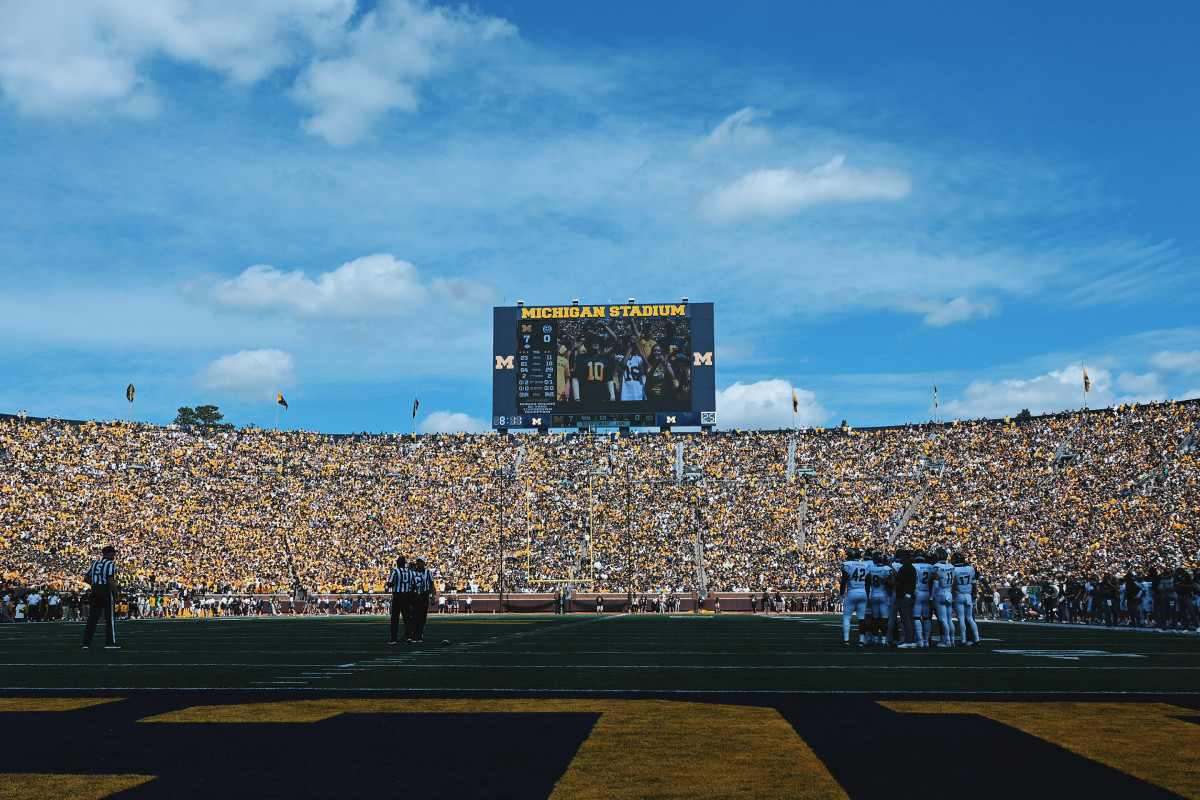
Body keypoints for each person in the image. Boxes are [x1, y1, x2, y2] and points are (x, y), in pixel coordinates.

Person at [82, 545, 121, 650]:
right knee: (110, 618)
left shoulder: (95, 563)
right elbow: (111, 581)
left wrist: (95, 584)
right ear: (108, 553)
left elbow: (85, 578)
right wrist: (117, 594)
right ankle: (110, 642)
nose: (114, 554)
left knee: (92, 618)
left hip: (95, 590)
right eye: (113, 552)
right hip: (105, 590)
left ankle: (86, 643)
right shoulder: (110, 564)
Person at [839, 547, 871, 646]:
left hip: (852, 592)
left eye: (848, 555)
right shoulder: (866, 565)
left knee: (847, 617)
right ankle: (861, 641)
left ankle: (846, 640)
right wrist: (867, 594)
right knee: (862, 618)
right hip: (863, 592)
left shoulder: (847, 565)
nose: (847, 556)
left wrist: (841, 594)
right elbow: (868, 582)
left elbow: (843, 581)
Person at [951, 552, 979, 646]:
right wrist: (974, 596)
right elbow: (974, 583)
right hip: (968, 595)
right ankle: (977, 639)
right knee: (970, 618)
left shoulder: (954, 569)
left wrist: (953, 598)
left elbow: (954, 585)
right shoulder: (970, 569)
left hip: (959, 595)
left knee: (961, 619)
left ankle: (963, 640)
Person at [385, 555, 412, 644]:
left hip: (398, 595)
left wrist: (387, 584)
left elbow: (390, 583)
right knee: (407, 618)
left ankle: (393, 639)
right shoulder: (409, 572)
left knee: (395, 618)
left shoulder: (396, 572)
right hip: (407, 595)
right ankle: (408, 636)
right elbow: (413, 584)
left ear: (397, 563)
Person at [894, 549, 918, 648]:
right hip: (911, 595)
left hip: (904, 596)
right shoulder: (912, 568)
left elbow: (898, 583)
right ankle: (912, 640)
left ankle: (909, 640)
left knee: (906, 619)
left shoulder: (905, 568)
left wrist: (886, 581)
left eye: (903, 556)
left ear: (907, 557)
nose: (901, 558)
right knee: (911, 619)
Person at [410, 557, 435, 642]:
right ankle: (414, 635)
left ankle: (420, 635)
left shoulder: (428, 572)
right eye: (417, 562)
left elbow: (432, 585)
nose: (418, 563)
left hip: (424, 595)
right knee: (414, 616)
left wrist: (433, 597)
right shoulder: (413, 572)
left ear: (424, 563)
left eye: (420, 562)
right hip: (414, 595)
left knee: (422, 617)